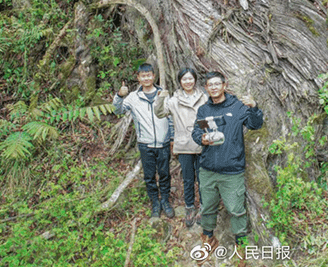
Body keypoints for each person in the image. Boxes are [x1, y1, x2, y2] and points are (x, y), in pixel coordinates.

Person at [191, 71, 263, 259]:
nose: (214, 87)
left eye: (217, 84)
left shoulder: (238, 106)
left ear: (224, 85)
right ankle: (208, 239)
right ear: (206, 88)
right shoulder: (204, 110)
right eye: (210, 85)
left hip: (232, 171)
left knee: (236, 210)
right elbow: (196, 132)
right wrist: (202, 138)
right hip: (207, 169)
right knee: (207, 207)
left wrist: (254, 107)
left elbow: (256, 124)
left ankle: (241, 247)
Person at [113, 63, 175, 219]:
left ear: (153, 76)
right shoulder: (133, 97)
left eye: (149, 75)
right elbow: (118, 111)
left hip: (163, 142)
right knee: (149, 176)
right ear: (138, 78)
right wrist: (120, 96)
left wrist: (172, 138)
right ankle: (155, 202)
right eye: (143, 75)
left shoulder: (163, 94)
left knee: (165, 174)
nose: (146, 78)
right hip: (145, 144)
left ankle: (165, 201)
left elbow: (171, 118)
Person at [155, 67, 208, 227]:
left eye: (190, 78)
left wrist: (205, 132)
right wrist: (160, 99)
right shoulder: (173, 100)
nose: (188, 82)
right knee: (188, 178)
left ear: (195, 80)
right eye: (184, 79)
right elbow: (160, 113)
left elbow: (207, 117)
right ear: (180, 82)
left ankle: (204, 207)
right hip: (184, 143)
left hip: (202, 143)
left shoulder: (203, 97)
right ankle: (189, 207)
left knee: (203, 178)